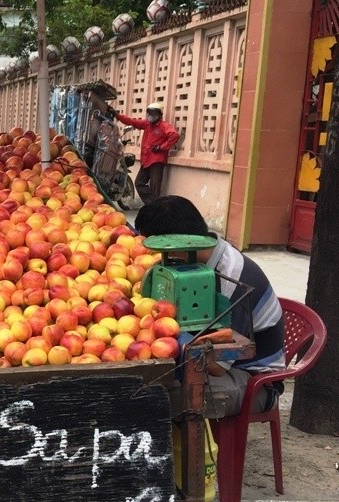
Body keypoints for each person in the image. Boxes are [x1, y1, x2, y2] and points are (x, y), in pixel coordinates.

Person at [134, 196, 286, 418]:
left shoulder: (232, 279)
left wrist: (180, 339)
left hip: (252, 378)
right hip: (215, 366)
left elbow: (216, 366)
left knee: (157, 400)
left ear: (176, 244)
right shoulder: (191, 264)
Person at [112, 102, 179, 202]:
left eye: (153, 114)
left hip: (157, 160)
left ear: (159, 115)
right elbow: (132, 121)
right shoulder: (147, 124)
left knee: (155, 186)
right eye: (149, 113)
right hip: (146, 160)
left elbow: (175, 135)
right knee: (139, 182)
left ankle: (153, 206)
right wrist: (117, 115)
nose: (150, 116)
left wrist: (161, 147)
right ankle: (152, 204)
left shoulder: (164, 126)